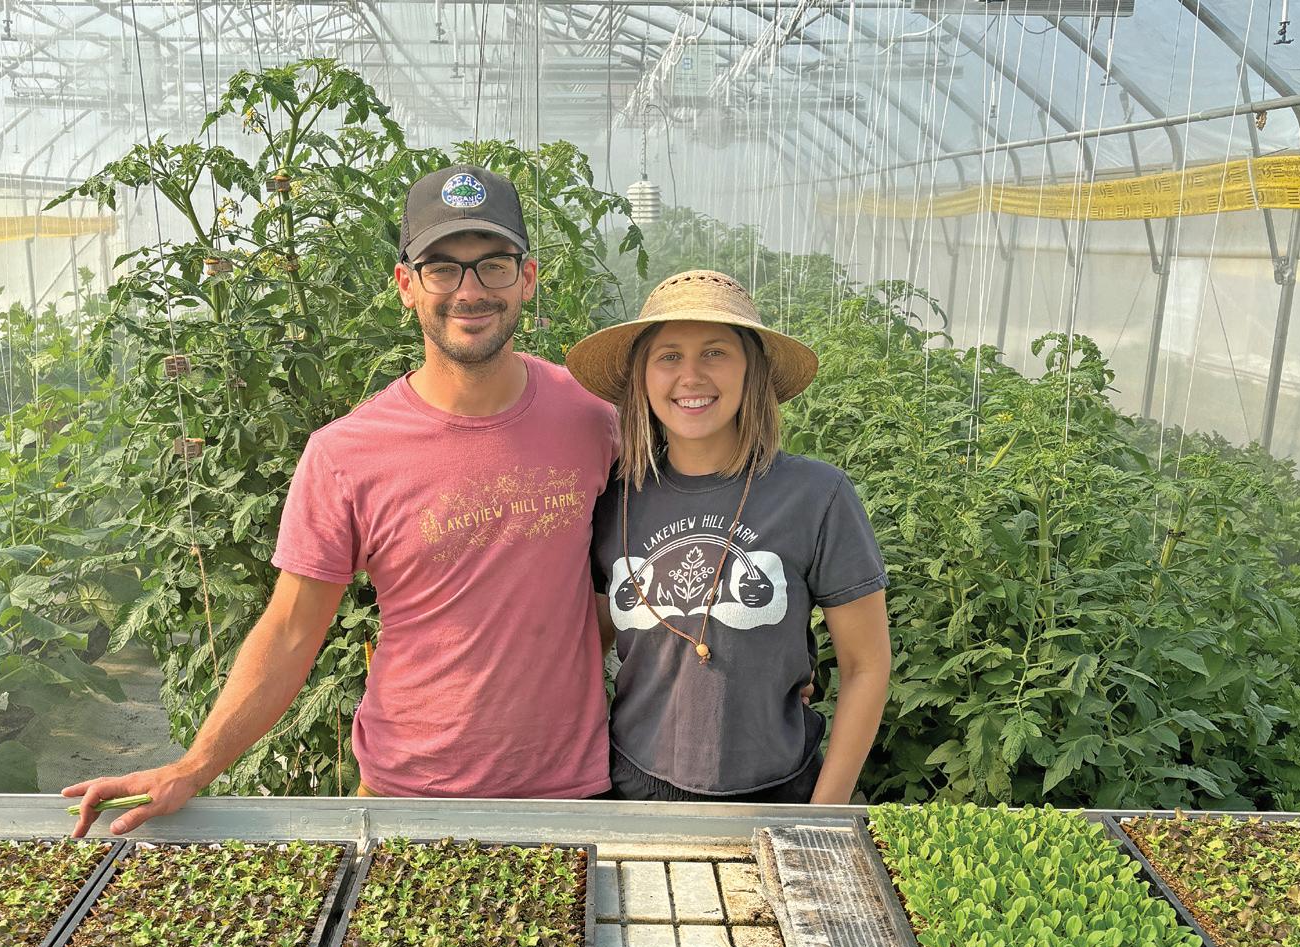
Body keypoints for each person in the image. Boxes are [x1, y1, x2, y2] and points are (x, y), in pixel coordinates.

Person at [64, 164, 622, 836]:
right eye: (442, 268)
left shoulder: (593, 419)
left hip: (572, 794)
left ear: (527, 278)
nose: (470, 291)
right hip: (405, 797)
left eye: (494, 266)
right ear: (406, 286)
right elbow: (291, 630)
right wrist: (195, 765)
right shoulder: (346, 454)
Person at [565, 269, 891, 805]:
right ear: (642, 377)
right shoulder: (612, 498)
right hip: (634, 786)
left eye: (715, 353)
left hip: (780, 792)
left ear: (751, 371)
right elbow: (590, 646)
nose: (691, 376)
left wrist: (824, 812)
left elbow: (866, 666)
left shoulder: (817, 496)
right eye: (668, 356)